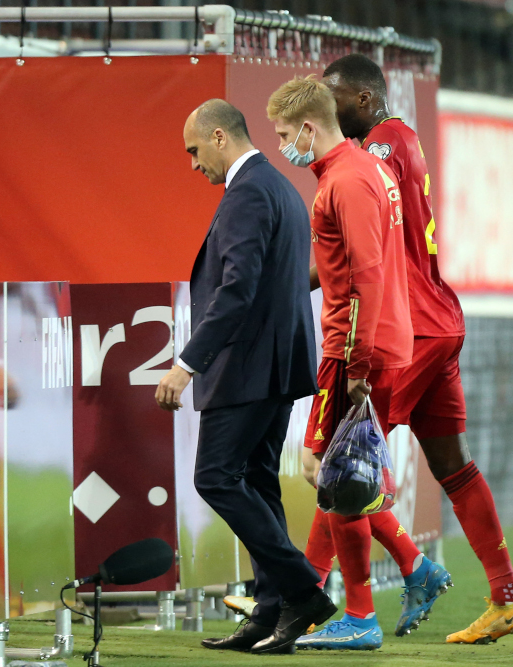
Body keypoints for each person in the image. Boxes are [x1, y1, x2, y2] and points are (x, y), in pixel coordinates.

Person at [313, 52, 513, 644]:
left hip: (406, 329)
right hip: (440, 320)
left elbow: (371, 245)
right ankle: (507, 595)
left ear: (361, 99)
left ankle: (302, 597)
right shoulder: (401, 139)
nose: (320, 110)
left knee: (342, 466)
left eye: (329, 96)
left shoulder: (375, 150)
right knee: (453, 467)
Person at [266, 75, 450, 651]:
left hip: (355, 348)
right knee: (351, 477)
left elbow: (366, 275)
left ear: (307, 127)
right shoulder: (362, 171)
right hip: (382, 340)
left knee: (328, 475)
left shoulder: (343, 181)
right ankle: (414, 569)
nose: (281, 145)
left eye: (281, 134)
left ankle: (362, 615)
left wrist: (359, 363)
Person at [155, 99, 335, 655]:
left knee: (215, 477)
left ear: (218, 137)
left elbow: (237, 290)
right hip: (277, 366)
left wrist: (186, 365)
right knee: (257, 481)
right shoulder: (280, 186)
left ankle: (302, 589)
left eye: (193, 151)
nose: (192, 164)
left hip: (247, 367)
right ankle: (270, 610)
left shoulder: (248, 193)